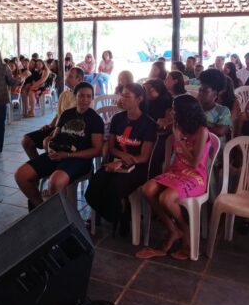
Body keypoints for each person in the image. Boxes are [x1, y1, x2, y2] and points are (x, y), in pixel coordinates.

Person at [137, 94, 212, 260]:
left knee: (166, 198)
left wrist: (180, 140)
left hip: (195, 175)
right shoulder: (179, 124)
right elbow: (161, 125)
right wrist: (163, 123)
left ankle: (185, 231)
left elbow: (194, 163)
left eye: (175, 109)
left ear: (185, 112)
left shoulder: (202, 131)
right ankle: (173, 230)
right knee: (147, 189)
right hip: (176, 170)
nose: (172, 112)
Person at [15, 82, 104, 210]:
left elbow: (97, 150)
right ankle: (41, 209)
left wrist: (68, 155)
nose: (85, 100)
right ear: (75, 96)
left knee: (55, 182)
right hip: (57, 155)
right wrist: (49, 144)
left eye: (89, 96)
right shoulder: (67, 114)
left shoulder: (95, 119)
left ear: (92, 98)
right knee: (21, 175)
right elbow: (54, 137)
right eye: (81, 96)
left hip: (79, 159)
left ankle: (60, 217)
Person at [85, 83, 156, 234]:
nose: (122, 99)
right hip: (116, 162)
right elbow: (111, 147)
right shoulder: (117, 119)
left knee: (114, 189)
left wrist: (124, 163)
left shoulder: (148, 123)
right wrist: (120, 159)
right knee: (93, 188)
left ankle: (120, 215)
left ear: (139, 99)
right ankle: (119, 214)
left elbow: (144, 157)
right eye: (122, 95)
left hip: (137, 168)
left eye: (127, 96)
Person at [22, 67, 84, 159]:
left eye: (70, 76)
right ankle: (38, 166)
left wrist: (56, 131)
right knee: (26, 141)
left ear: (79, 79)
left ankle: (49, 167)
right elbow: (58, 114)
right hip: (56, 127)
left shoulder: (83, 96)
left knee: (47, 142)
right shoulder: (64, 94)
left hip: (68, 130)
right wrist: (51, 125)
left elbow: (77, 121)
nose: (66, 78)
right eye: (67, 76)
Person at [197, 69, 232, 141]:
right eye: (200, 90)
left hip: (214, 147)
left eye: (204, 91)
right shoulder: (194, 107)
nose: (200, 94)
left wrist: (195, 128)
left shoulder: (223, 111)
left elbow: (220, 131)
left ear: (216, 93)